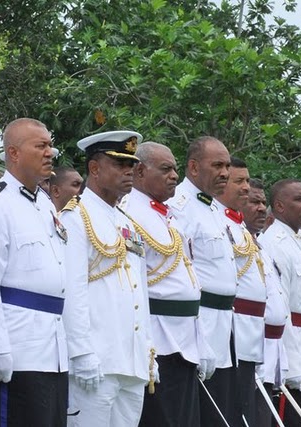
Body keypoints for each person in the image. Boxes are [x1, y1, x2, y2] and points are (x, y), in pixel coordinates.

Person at [62, 130, 156, 427]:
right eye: (119, 164)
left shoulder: (128, 223)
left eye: (131, 165)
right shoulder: (75, 217)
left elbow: (140, 291)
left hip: (132, 361)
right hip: (97, 358)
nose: (128, 172)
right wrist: (81, 352)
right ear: (94, 168)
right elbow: (72, 290)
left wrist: (148, 350)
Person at [0, 118, 68, 426]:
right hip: (19, 347)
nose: (49, 153)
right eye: (40, 146)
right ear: (14, 153)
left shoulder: (45, 204)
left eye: (50, 146)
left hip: (54, 348)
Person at [125, 142, 209, 427]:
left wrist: (201, 340)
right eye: (165, 169)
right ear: (139, 171)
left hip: (185, 338)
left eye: (174, 169)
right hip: (158, 339)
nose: (174, 175)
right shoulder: (129, 213)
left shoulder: (166, 214)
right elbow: (133, 286)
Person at [167, 136, 237, 426]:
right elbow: (181, 273)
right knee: (199, 414)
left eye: (227, 166)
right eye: (217, 165)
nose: (225, 173)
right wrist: (198, 337)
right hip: (200, 322)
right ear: (194, 167)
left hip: (223, 324)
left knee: (221, 412)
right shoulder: (179, 206)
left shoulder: (213, 208)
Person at [259, 179, 301, 427]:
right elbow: (281, 306)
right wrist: (290, 367)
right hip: (296, 356)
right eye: (300, 199)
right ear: (279, 206)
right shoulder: (275, 243)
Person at [214, 157, 267, 425]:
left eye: (247, 180)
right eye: (239, 181)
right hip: (230, 332)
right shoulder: (216, 220)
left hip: (251, 337)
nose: (246, 187)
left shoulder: (240, 227)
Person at [242, 179, 289, 427]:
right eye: (254, 202)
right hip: (248, 346)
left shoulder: (262, 247)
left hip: (271, 352)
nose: (261, 208)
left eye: (263, 202)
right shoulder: (236, 241)